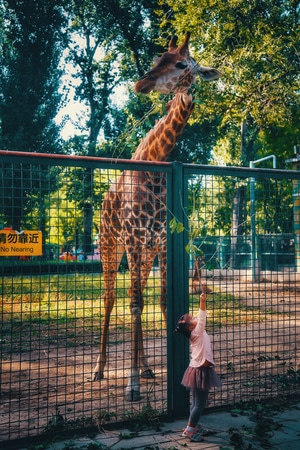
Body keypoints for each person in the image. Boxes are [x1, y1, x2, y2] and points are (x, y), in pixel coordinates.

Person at [174, 293, 221, 442]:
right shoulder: (197, 331)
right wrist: (202, 301)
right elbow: (202, 316)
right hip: (201, 371)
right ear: (190, 326)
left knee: (195, 402)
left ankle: (193, 425)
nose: (195, 318)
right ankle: (189, 430)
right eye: (192, 319)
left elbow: (199, 319)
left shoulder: (194, 333)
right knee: (200, 404)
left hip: (196, 370)